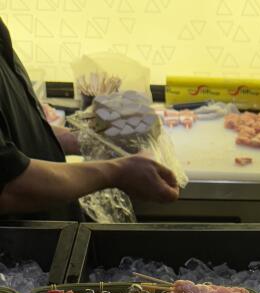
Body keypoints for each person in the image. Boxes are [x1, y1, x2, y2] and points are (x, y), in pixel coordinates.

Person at [0, 17, 180, 219]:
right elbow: (10, 186)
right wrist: (116, 172)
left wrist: (87, 141)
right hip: (21, 236)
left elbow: (15, 136)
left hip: (52, 227)